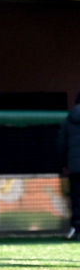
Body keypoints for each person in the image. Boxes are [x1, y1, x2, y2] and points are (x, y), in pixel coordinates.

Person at [57, 91, 80, 241]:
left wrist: (63, 164)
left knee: (77, 199)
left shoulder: (69, 119)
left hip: (75, 167)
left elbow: (61, 145)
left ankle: (76, 227)